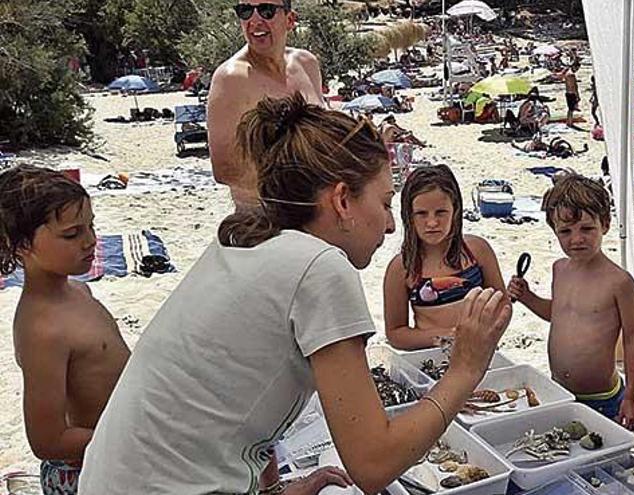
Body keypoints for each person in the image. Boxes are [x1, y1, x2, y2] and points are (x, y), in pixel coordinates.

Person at [77, 94, 512, 494]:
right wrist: (465, 369)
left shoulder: (245, 241)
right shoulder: (319, 267)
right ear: (342, 200)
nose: (391, 225)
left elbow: (230, 390)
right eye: (384, 204)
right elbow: (374, 464)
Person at [0, 166, 130, 495]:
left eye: (91, 226)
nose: (90, 240)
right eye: (72, 234)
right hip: (87, 473)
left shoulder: (79, 291)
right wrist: (136, 435)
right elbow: (48, 440)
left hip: (118, 456)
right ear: (20, 246)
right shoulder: (43, 330)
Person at [507, 174, 634, 429]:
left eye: (587, 229)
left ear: (605, 224)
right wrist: (527, 297)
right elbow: (558, 314)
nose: (576, 239)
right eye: (565, 232)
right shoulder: (559, 268)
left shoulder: (619, 282)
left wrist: (633, 397)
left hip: (601, 398)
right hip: (558, 388)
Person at [208, 0, 324, 212]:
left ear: (290, 20)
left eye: (266, 11)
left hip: (318, 211)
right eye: (245, 11)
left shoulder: (307, 64)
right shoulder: (232, 78)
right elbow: (225, 169)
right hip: (265, 217)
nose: (254, 20)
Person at [384, 165, 506, 350]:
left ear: (455, 211)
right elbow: (396, 333)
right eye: (421, 214)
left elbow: (502, 303)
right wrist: (449, 336)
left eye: (441, 212)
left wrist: (489, 333)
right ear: (408, 216)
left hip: (479, 353)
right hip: (430, 358)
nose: (432, 222)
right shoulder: (402, 268)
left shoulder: (477, 251)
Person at [563, 62, 581, 127]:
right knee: (571, 109)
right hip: (571, 93)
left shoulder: (567, 73)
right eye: (576, 68)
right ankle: (570, 123)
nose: (577, 70)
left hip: (568, 92)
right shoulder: (571, 75)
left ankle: (569, 122)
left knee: (570, 109)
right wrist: (577, 95)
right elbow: (574, 86)